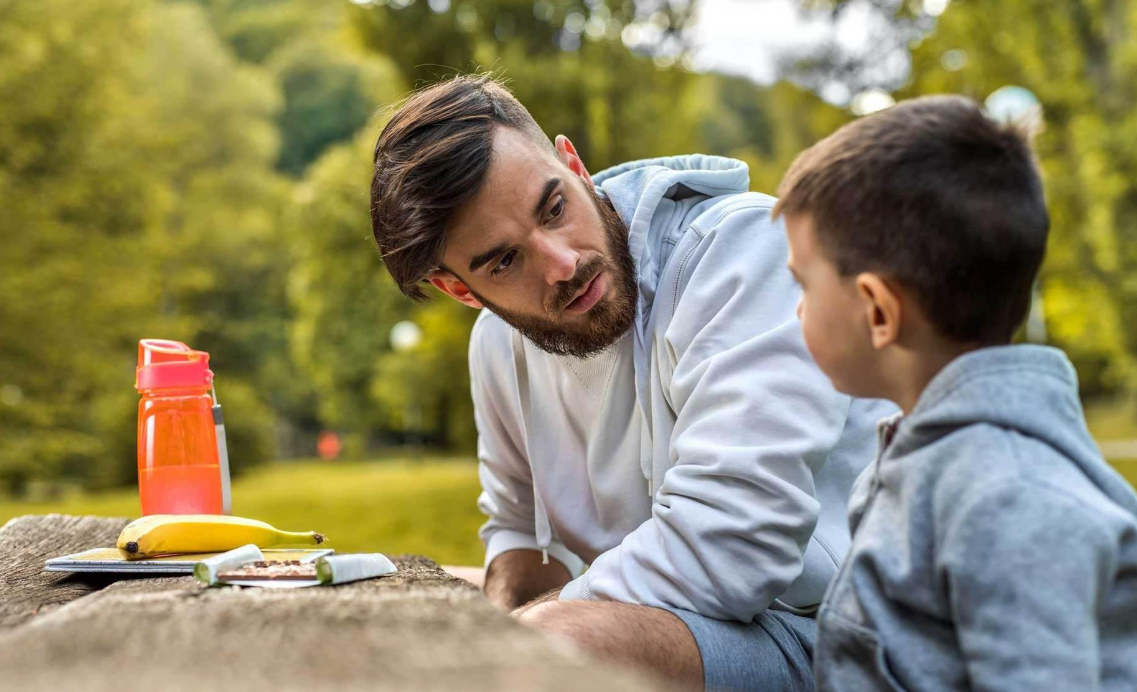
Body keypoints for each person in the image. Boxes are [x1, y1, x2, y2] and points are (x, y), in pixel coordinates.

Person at [369, 74, 891, 692]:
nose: (563, 263)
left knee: (554, 643)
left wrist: (530, 630)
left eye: (555, 207)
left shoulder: (740, 253)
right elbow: (516, 531)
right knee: (405, 604)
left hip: (857, 641)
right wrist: (515, 613)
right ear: (461, 290)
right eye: (506, 260)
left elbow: (734, 547)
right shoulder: (497, 346)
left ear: (575, 165)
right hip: (702, 627)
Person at [776, 95, 1137, 691]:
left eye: (803, 285)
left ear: (878, 310)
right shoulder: (926, 456)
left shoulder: (1009, 500)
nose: (796, 310)